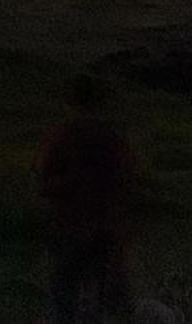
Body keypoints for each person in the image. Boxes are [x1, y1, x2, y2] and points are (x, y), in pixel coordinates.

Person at [36, 73, 137, 324]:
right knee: (98, 298)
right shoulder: (112, 138)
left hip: (70, 226)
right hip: (105, 227)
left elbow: (44, 178)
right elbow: (127, 180)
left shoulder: (64, 135)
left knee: (66, 296)